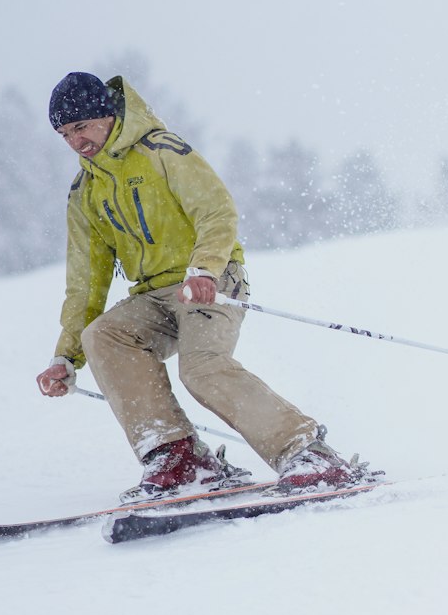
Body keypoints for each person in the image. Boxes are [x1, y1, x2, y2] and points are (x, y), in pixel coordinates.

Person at [36, 71, 374, 501]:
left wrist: (205, 269)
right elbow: (85, 280)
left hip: (212, 280)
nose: (75, 141)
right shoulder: (85, 191)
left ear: (106, 115)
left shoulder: (161, 151)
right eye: (64, 134)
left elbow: (216, 210)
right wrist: (66, 356)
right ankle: (179, 457)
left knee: (201, 368)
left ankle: (308, 452)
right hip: (153, 295)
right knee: (103, 334)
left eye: (81, 127)